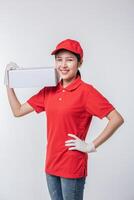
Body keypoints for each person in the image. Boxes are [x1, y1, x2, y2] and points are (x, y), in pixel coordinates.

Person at [4, 39, 124, 200]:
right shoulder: (50, 89)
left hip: (72, 166)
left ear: (80, 62)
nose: (63, 65)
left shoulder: (86, 92)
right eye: (59, 59)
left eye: (70, 59)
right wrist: (9, 83)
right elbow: (18, 111)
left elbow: (116, 119)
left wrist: (91, 145)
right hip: (51, 164)